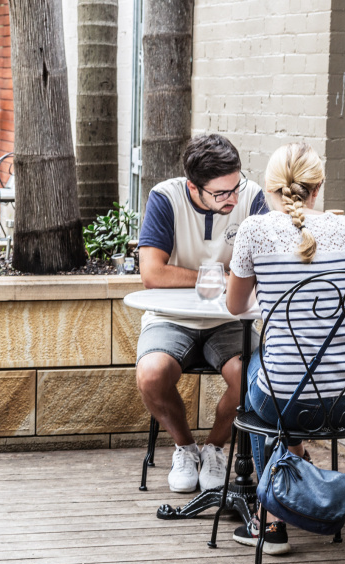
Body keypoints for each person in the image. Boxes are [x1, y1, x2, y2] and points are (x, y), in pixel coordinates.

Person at [225, 142, 345, 555]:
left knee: (258, 388)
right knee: (274, 386)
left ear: (268, 189)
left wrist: (279, 301)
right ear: (318, 188)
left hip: (292, 403)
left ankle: (270, 521)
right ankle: (295, 456)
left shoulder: (254, 230)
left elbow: (235, 306)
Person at [136, 133, 268, 494]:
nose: (233, 199)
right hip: (170, 318)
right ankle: (185, 447)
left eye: (235, 187)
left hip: (231, 319)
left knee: (250, 378)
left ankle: (215, 448)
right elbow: (152, 273)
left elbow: (269, 268)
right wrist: (216, 277)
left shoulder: (253, 199)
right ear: (194, 187)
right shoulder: (166, 197)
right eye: (221, 193)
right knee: (151, 375)